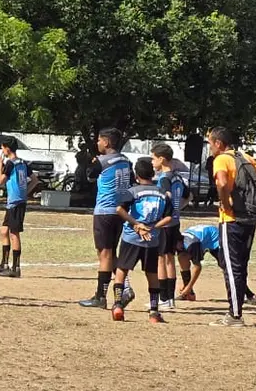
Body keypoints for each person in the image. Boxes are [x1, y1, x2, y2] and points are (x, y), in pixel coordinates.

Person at [206, 127, 256, 327]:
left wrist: (225, 202)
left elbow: (222, 184)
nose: (209, 147)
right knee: (240, 265)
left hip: (232, 219)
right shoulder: (246, 157)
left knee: (232, 267)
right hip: (248, 218)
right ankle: (236, 309)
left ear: (218, 143)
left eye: (210, 143)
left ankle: (234, 314)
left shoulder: (221, 159)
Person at [111, 158, 172, 323]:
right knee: (152, 274)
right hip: (152, 240)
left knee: (122, 270)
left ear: (136, 175)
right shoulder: (162, 193)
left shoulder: (132, 191)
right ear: (153, 174)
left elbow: (119, 209)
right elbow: (168, 217)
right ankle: (153, 312)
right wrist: (153, 227)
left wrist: (137, 224)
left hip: (131, 237)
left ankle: (117, 305)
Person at [79, 128, 134, 309]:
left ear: (107, 142)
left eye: (99, 140)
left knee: (104, 254)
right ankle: (124, 287)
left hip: (105, 211)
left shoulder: (102, 161)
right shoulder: (126, 161)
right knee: (111, 253)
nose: (97, 144)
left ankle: (100, 296)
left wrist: (89, 162)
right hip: (120, 211)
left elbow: (89, 177)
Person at [0, 136, 39, 278]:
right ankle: (4, 263)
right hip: (15, 202)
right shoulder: (23, 163)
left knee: (13, 233)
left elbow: (0, 181)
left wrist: (0, 164)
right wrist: (26, 191)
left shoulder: (10, 163)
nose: (1, 150)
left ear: (7, 148)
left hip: (16, 203)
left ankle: (16, 267)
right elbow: (35, 180)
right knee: (4, 231)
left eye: (3, 147)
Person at [151, 143, 191, 310]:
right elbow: (188, 195)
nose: (152, 162)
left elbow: (166, 196)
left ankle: (163, 297)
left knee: (161, 259)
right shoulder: (177, 177)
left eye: (153, 158)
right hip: (175, 222)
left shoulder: (164, 178)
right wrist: (177, 210)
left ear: (161, 159)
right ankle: (170, 299)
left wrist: (163, 214)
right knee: (170, 259)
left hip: (165, 224)